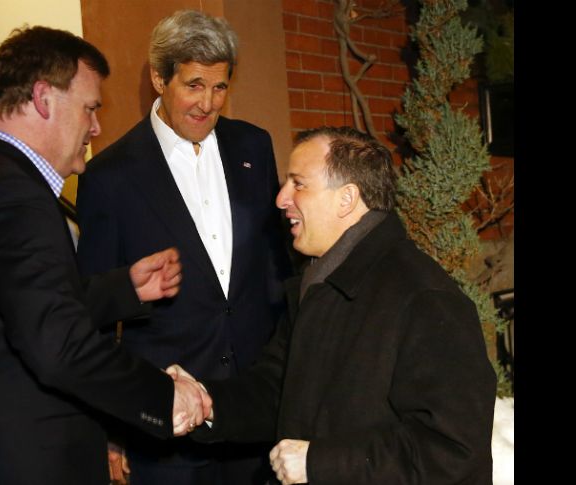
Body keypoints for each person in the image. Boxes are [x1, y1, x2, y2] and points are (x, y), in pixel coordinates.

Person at [0, 26, 210, 485]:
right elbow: (57, 346)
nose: (96, 126)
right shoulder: (14, 194)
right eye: (89, 108)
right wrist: (162, 396)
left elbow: (14, 310)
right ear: (44, 98)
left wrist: (118, 290)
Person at [173, 126, 497, 484]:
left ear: (346, 198)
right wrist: (204, 403)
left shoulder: (425, 299)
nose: (281, 199)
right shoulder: (320, 285)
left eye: (298, 183)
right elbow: (276, 391)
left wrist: (319, 463)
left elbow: (453, 450)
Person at [75, 9, 293, 485]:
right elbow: (92, 306)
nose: (208, 103)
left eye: (220, 87)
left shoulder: (254, 147)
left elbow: (277, 272)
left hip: (254, 414)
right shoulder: (109, 176)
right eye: (194, 85)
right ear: (159, 77)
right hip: (164, 427)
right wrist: (109, 427)